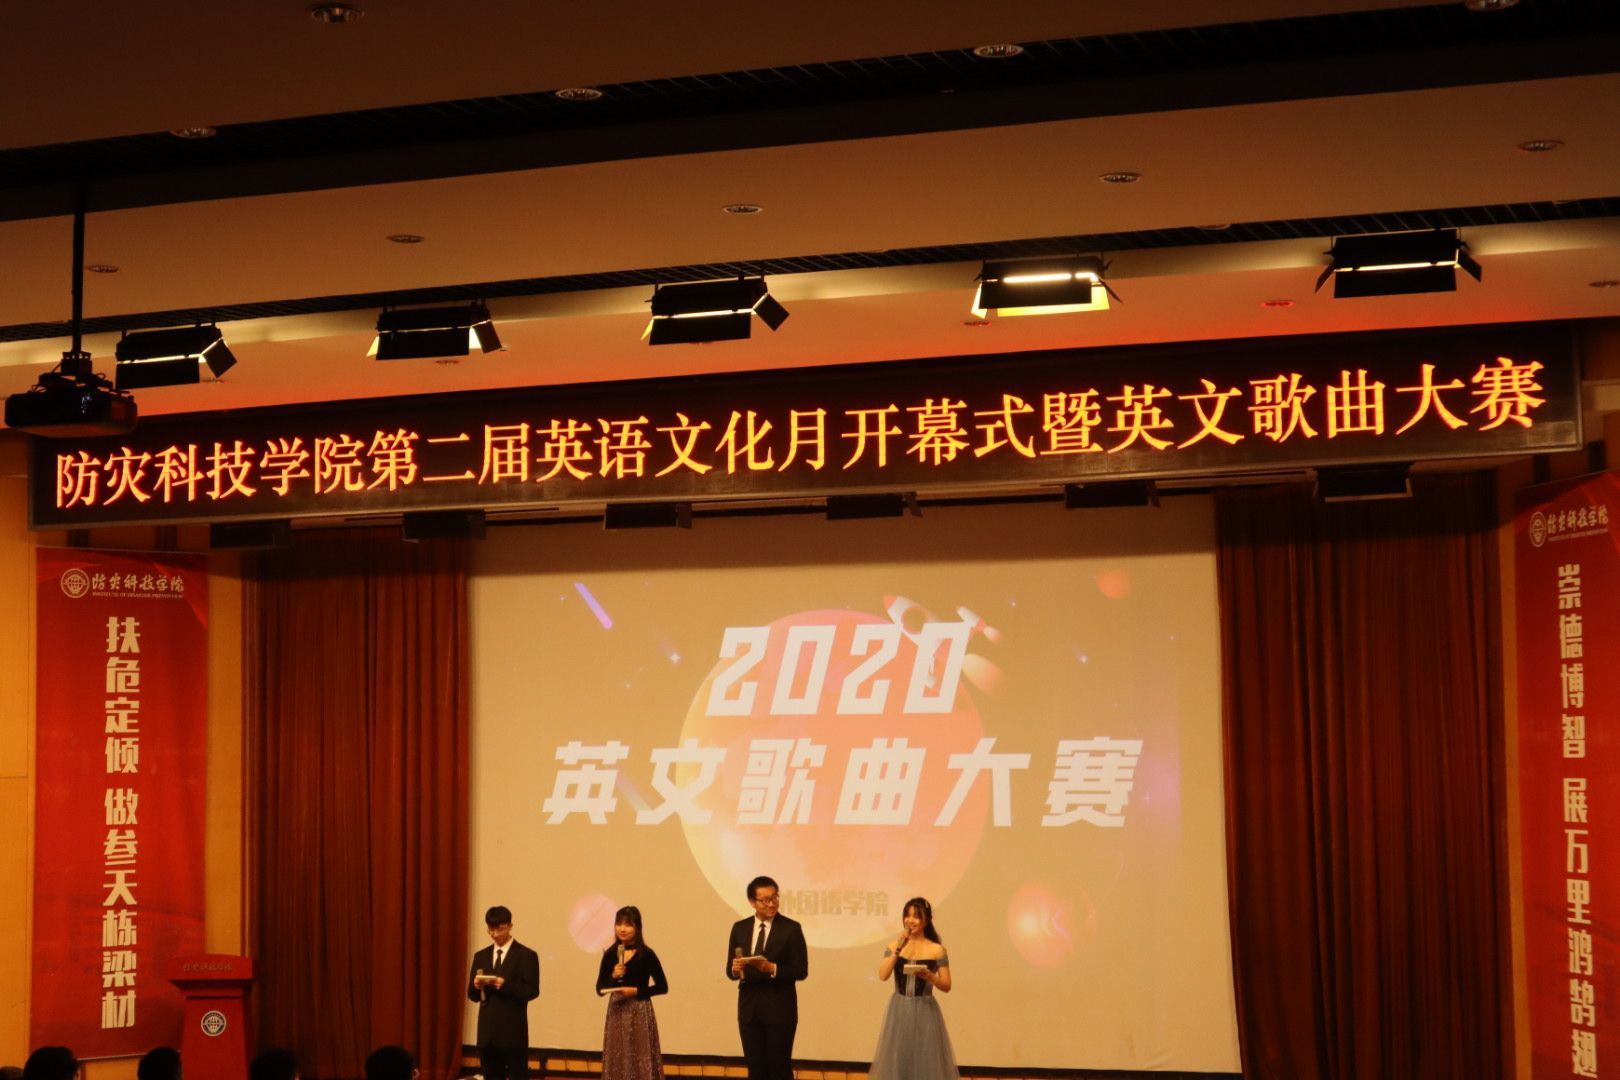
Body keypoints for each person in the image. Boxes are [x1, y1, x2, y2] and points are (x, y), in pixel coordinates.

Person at [725, 875, 808, 1080]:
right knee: (756, 1069)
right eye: (765, 900)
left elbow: (801, 970)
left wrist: (771, 968)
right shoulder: (740, 928)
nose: (771, 904)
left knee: (779, 1069)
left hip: (779, 1009)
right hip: (749, 1010)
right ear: (752, 902)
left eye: (774, 898)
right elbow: (730, 970)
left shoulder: (791, 928)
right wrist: (735, 969)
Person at [868, 897, 958, 1080]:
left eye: (916, 916)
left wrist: (931, 976)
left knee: (925, 1058)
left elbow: (947, 985)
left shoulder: (936, 950)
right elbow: (883, 975)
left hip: (925, 1010)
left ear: (926, 920)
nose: (910, 921)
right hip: (899, 1009)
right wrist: (898, 949)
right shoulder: (894, 946)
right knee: (900, 1057)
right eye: (907, 916)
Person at [467, 903, 541, 1080]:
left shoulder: (526, 955)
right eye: (490, 930)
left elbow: (532, 991)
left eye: (499, 929)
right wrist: (476, 986)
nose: (495, 934)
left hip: (513, 1033)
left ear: (509, 926)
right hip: (487, 1035)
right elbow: (472, 995)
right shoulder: (481, 956)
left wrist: (504, 985)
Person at [594, 906, 669, 1080]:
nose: (622, 929)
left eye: (628, 925)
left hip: (639, 1011)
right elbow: (599, 988)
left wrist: (637, 991)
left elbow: (663, 986)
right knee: (617, 1056)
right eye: (619, 924)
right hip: (616, 1011)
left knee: (640, 1056)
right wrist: (613, 976)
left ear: (637, 927)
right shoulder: (610, 954)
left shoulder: (647, 954)